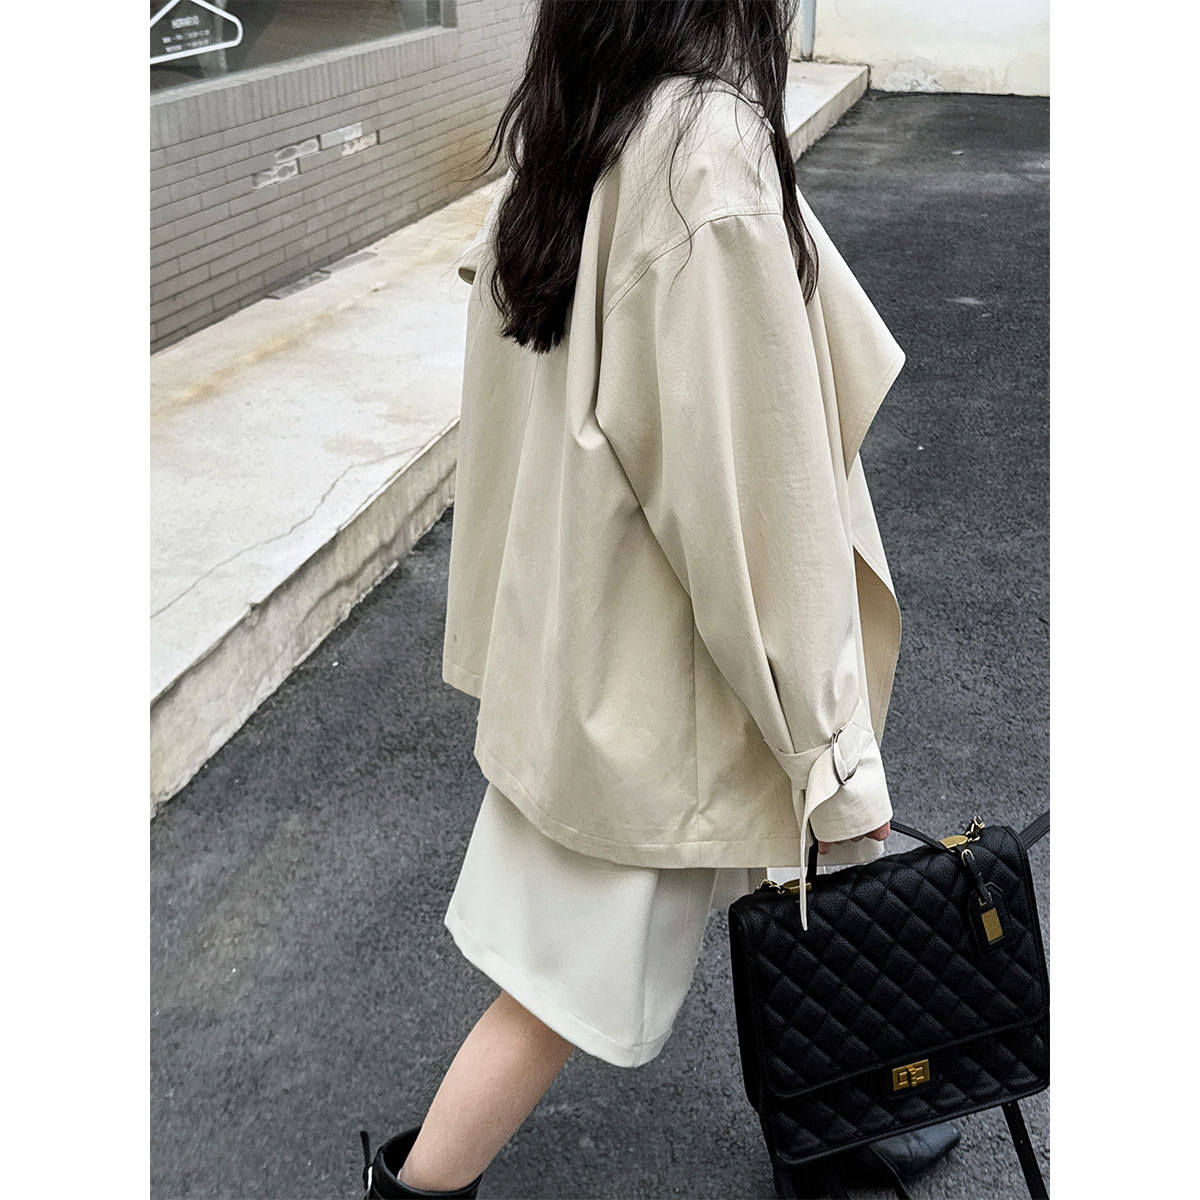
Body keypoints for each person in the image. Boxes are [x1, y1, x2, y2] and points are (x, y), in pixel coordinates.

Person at [360, 2, 959, 1197]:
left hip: (604, 635)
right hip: (667, 664)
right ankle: (419, 1187)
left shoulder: (586, 115)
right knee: (559, 979)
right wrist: (831, 749)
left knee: (785, 884)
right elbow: (753, 505)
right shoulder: (701, 149)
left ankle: (829, 1135)